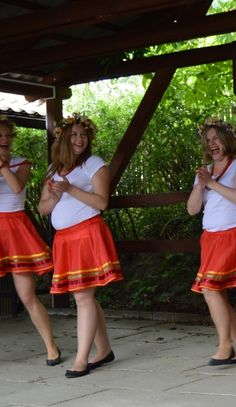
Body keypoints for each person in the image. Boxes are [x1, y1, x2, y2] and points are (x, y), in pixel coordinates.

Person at [38, 113, 122, 378]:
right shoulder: (53, 170)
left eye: (83, 135)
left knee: (83, 298)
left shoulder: (93, 164)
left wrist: (70, 189)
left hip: (87, 234)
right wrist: (54, 195)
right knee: (84, 297)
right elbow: (42, 208)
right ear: (63, 137)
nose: (79, 139)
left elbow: (102, 202)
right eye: (74, 134)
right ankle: (104, 350)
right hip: (64, 240)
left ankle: (81, 359)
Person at [187, 117, 236, 365]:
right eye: (208, 140)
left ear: (227, 139)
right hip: (211, 238)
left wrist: (211, 183)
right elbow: (192, 210)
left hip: (234, 234)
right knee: (218, 293)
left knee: (210, 288)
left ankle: (225, 345)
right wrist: (200, 185)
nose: (212, 143)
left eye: (216, 138)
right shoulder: (205, 171)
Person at [0, 115, 61, 366]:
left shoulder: (21, 163)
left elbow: (17, 188)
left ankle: (51, 347)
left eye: (8, 135)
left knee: (27, 296)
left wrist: (3, 166)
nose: (4, 139)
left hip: (15, 228)